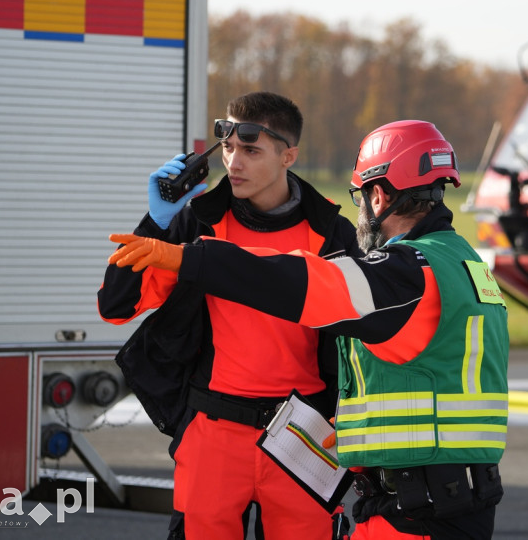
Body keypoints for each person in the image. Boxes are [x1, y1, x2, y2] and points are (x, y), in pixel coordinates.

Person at [108, 120, 510, 540]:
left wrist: (193, 260)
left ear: (379, 195)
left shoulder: (404, 275)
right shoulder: (465, 265)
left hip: (418, 513)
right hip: (446, 501)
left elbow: (302, 283)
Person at [98, 92, 360, 540]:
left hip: (305, 433)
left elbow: (360, 338)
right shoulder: (196, 222)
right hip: (212, 430)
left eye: (251, 150)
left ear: (288, 156)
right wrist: (157, 223)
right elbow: (117, 305)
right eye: (228, 148)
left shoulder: (331, 233)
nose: (233, 162)